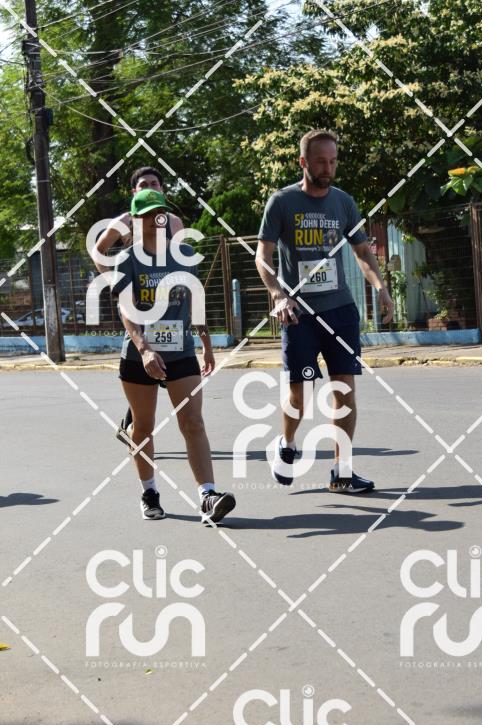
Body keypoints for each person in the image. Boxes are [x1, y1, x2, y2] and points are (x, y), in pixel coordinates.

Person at [255, 129, 394, 493]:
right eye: (320, 161)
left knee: (344, 391)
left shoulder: (343, 202)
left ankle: (341, 472)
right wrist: (278, 294)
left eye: (332, 161)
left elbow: (362, 251)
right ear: (303, 162)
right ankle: (286, 445)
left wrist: (380, 288)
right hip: (298, 313)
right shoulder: (282, 202)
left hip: (340, 310)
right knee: (299, 394)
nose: (327, 168)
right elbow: (262, 256)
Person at [112, 187, 235, 523]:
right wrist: (144, 349)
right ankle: (149, 492)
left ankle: (208, 496)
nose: (155, 220)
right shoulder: (127, 260)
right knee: (143, 427)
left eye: (160, 213)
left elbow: (195, 301)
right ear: (135, 220)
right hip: (139, 357)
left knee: (193, 422)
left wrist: (206, 343)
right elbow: (126, 310)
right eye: (147, 215)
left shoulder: (184, 255)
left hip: (181, 353)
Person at [93, 166, 184, 447]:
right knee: (145, 365)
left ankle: (133, 425)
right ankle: (135, 428)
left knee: (165, 368)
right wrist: (115, 280)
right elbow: (99, 250)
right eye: (144, 184)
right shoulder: (124, 221)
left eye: (155, 183)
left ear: (162, 189)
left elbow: (179, 260)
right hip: (139, 303)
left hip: (167, 307)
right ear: (134, 191)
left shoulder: (174, 222)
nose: (150, 187)